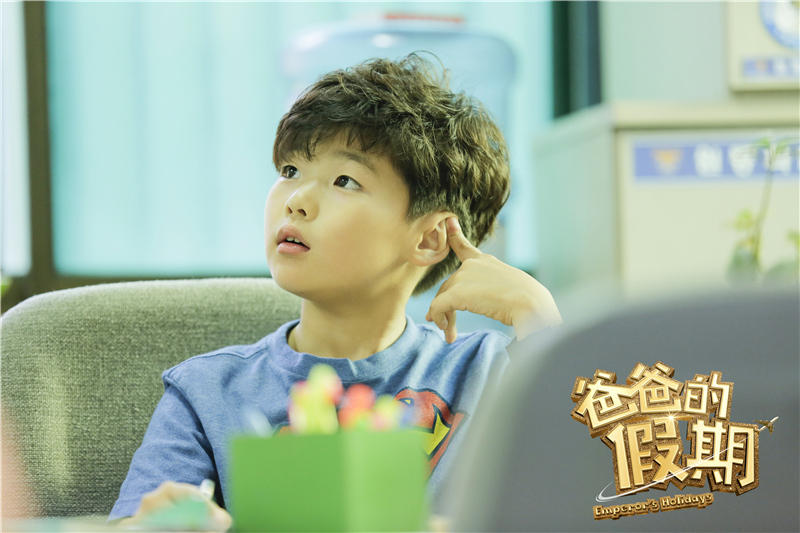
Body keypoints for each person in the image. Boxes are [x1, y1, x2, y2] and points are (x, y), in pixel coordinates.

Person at [110, 53, 562, 530]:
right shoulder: (207, 391)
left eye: (344, 180)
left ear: (429, 239)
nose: (296, 201)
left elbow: (610, 500)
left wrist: (540, 318)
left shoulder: (489, 374)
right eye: (289, 170)